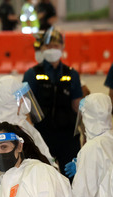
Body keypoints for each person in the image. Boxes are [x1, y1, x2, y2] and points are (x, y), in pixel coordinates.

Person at [23, 28, 83, 176]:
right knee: (42, 176)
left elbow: (78, 107)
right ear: (42, 48)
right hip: (42, 134)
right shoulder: (32, 74)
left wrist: (85, 133)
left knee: (71, 177)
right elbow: (25, 107)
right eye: (48, 46)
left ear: (62, 48)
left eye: (55, 46)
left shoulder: (72, 74)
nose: (52, 50)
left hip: (68, 136)